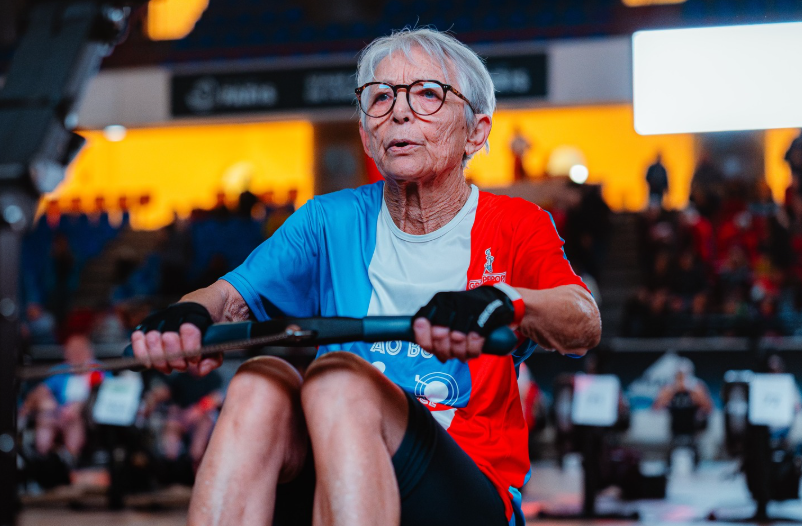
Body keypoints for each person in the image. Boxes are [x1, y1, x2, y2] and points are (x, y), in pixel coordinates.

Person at [131, 28, 601, 526]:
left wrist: (504, 300)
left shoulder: (516, 223)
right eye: (381, 97)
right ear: (366, 136)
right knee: (257, 382)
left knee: (338, 380)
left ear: (476, 132)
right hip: (337, 469)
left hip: (464, 487)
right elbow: (228, 298)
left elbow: (583, 321)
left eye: (427, 94)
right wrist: (188, 314)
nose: (399, 112)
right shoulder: (328, 220)